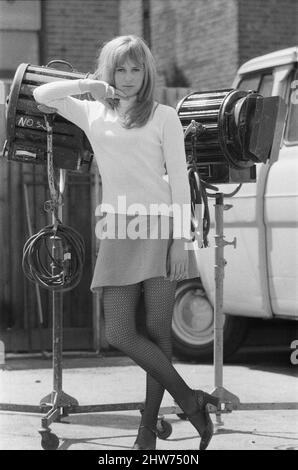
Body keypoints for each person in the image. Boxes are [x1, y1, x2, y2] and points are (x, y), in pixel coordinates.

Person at [33, 34, 219, 451]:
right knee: (119, 331)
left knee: (158, 334)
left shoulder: (164, 115)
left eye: (137, 68)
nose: (130, 77)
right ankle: (191, 401)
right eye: (121, 68)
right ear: (109, 70)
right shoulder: (92, 112)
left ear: (147, 72)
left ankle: (146, 433)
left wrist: (180, 241)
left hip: (159, 230)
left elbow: (179, 184)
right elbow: (43, 93)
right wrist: (91, 86)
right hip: (118, 230)